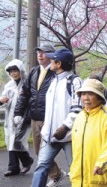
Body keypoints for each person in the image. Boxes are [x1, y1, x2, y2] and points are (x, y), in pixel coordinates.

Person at [14, 44, 67, 186]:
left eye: (44, 53)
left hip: (52, 119)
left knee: (59, 153)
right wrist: (18, 111)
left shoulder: (58, 73)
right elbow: (25, 93)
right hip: (35, 118)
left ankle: (79, 178)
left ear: (52, 56)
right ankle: (57, 174)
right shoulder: (33, 72)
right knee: (39, 151)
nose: (40, 55)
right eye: (38, 52)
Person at [32, 48, 82, 187]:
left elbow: (77, 108)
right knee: (41, 167)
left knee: (76, 170)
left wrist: (64, 127)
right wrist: (46, 130)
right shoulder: (53, 81)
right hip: (50, 136)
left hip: (69, 136)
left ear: (59, 63)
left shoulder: (75, 81)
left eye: (52, 59)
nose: (50, 60)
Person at [70, 78, 107, 186]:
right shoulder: (79, 117)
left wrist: (102, 164)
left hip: (101, 179)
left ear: (99, 97)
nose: (86, 98)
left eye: (90, 94)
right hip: (80, 180)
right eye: (83, 94)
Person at [0, 59, 33, 176]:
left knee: (17, 140)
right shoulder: (9, 85)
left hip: (23, 117)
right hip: (10, 117)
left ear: (20, 70)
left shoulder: (27, 83)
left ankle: (26, 160)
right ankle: (13, 167)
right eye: (11, 71)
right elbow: (4, 98)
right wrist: (1, 101)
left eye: (15, 70)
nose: (13, 73)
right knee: (10, 140)